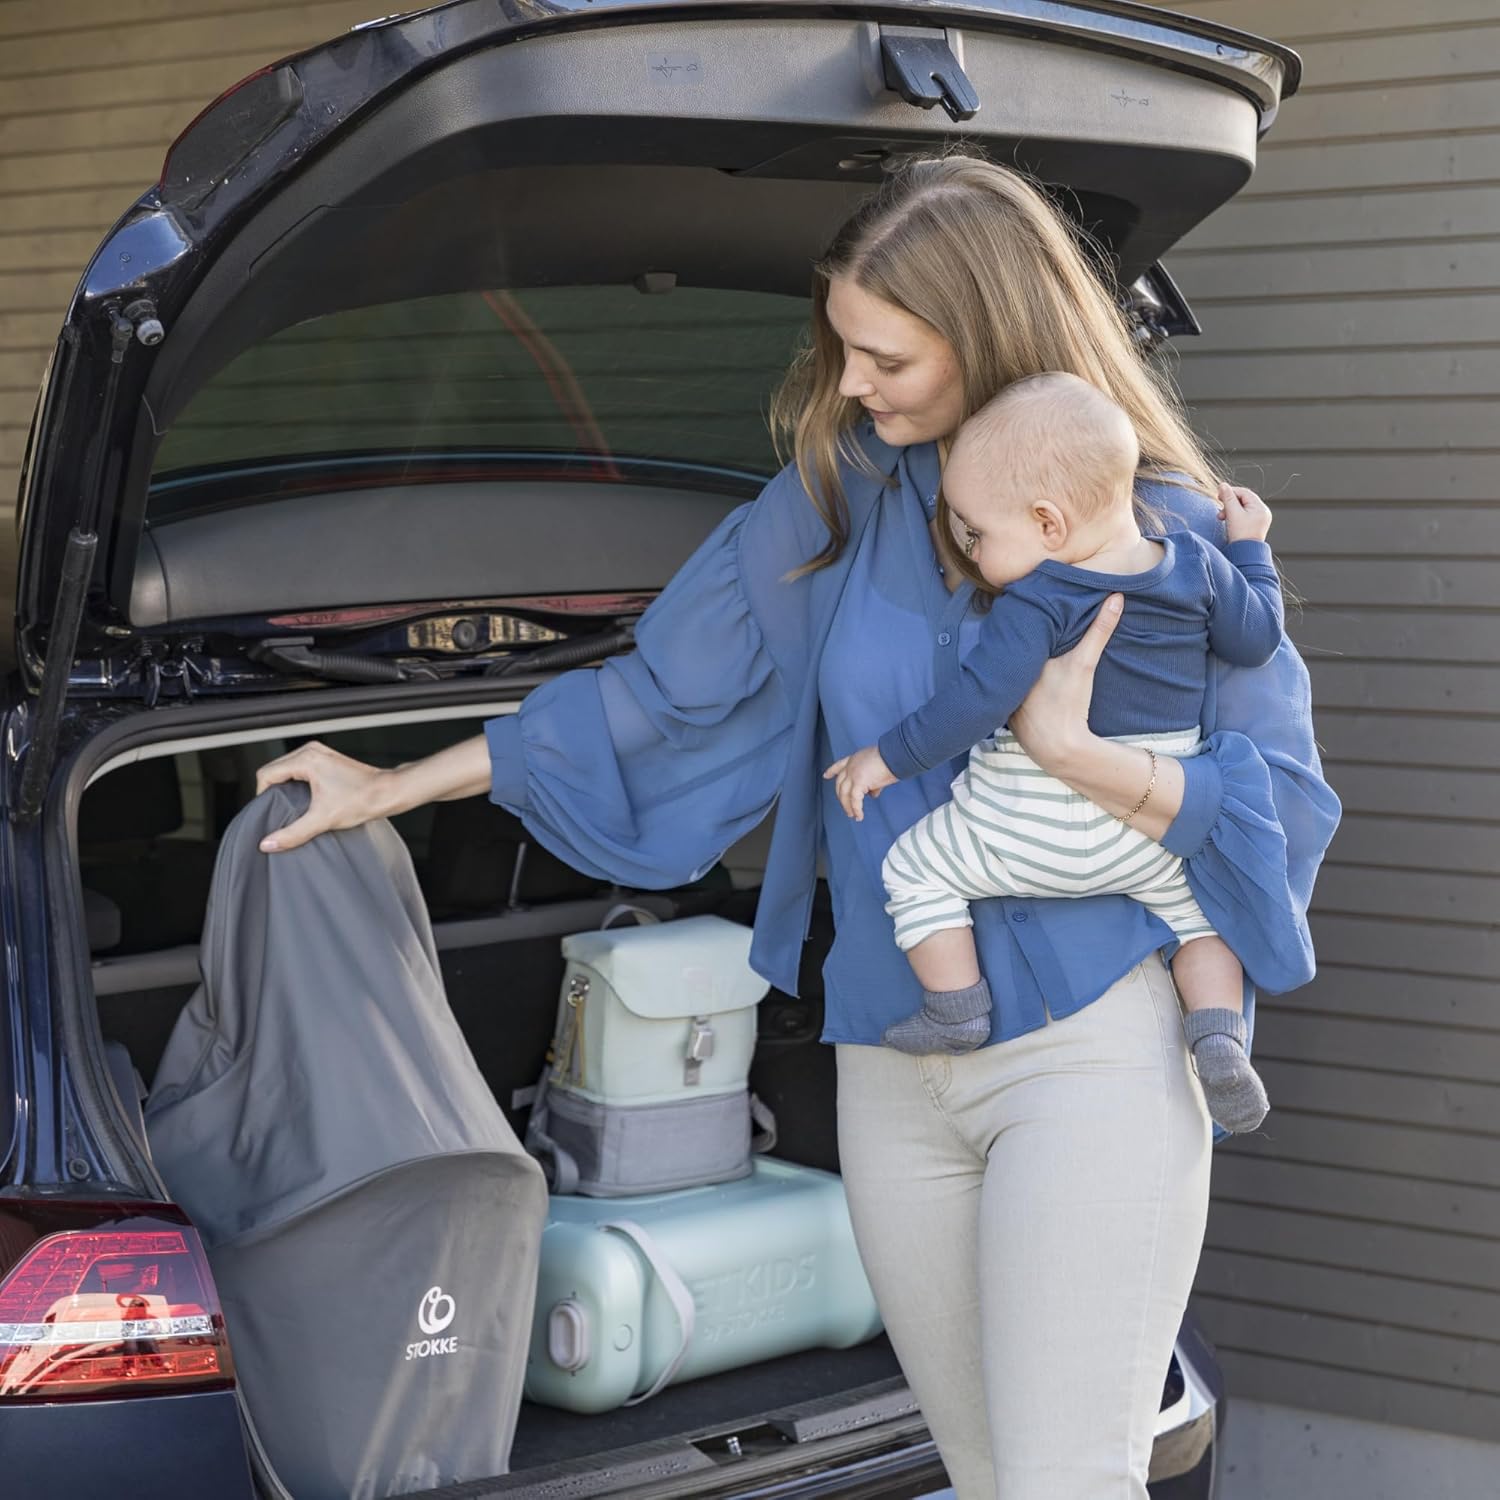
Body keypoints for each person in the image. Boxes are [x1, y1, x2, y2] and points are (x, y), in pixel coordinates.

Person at [254, 154, 1340, 1499]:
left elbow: (1279, 806)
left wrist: (1076, 756)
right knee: (991, 1476)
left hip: (1090, 1053)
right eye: (840, 349)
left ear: (988, 334)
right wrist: (389, 783)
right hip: (894, 1054)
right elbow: (657, 701)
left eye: (882, 354)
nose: (848, 387)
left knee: (1067, 1482)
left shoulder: (1159, 542)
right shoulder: (837, 504)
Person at [824, 372, 1283, 1137]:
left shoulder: (1037, 600)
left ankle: (956, 1008)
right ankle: (1217, 1038)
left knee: (915, 869)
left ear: (1047, 523)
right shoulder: (1199, 568)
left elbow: (975, 704)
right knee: (1202, 922)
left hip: (1023, 822)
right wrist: (1252, 551)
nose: (970, 550)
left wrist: (885, 758)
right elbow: (1258, 636)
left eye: (977, 533)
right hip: (1145, 830)